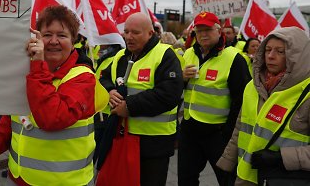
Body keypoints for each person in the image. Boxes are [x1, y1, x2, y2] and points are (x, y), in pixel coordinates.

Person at [0, 5, 108, 185]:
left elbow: (52, 119)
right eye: (47, 34)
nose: (53, 41)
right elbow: (10, 123)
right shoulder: (31, 72)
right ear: (37, 37)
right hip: (20, 179)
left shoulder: (82, 77)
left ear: (73, 41)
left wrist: (37, 66)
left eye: (62, 35)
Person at [217, 27, 310, 185]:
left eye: (280, 51)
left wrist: (281, 158)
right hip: (245, 177)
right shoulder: (252, 86)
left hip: (283, 179)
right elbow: (240, 128)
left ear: (298, 56)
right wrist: (227, 163)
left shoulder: (306, 94)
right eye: (267, 49)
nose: (271, 56)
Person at [99, 12, 184, 185]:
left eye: (135, 32)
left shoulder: (165, 55)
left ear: (150, 33)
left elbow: (169, 94)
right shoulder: (120, 56)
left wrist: (129, 106)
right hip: (122, 139)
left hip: (153, 145)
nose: (129, 37)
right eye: (126, 31)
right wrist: (109, 91)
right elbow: (104, 78)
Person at [178, 12, 251, 186]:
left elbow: (242, 100)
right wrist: (181, 79)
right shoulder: (188, 53)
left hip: (217, 134)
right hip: (190, 130)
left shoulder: (234, 58)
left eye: (208, 30)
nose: (203, 34)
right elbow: (175, 89)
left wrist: (227, 132)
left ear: (219, 31)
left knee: (227, 180)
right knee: (186, 179)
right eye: (199, 30)